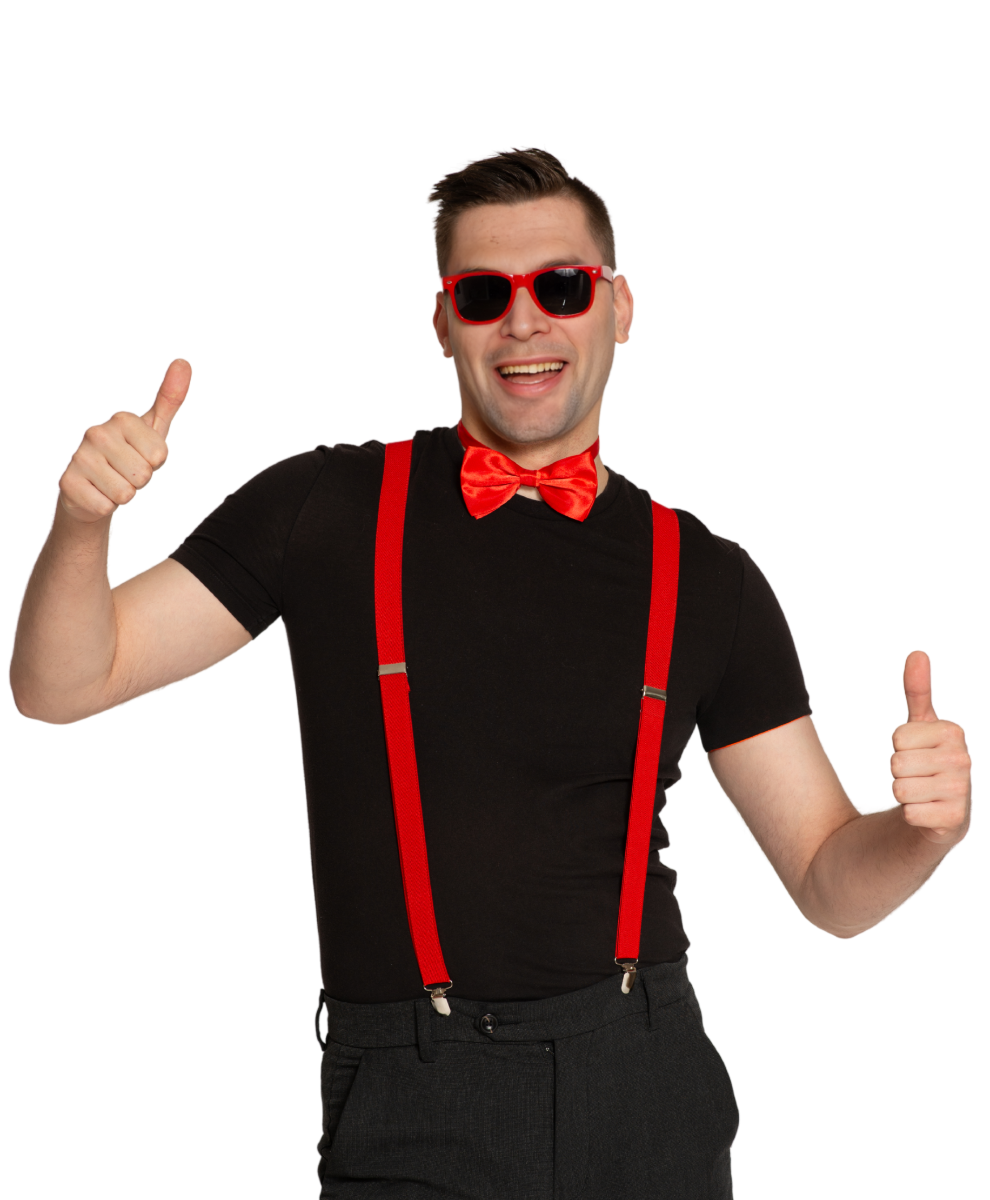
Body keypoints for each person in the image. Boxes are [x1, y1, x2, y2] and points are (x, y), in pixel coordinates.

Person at [10, 148, 971, 1199]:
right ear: (443, 323)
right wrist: (81, 522)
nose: (523, 322)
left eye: (561, 287)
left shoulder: (704, 576)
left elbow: (830, 882)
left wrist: (920, 834)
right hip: (413, 1097)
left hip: (645, 1085)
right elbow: (64, 683)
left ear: (617, 308)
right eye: (483, 294)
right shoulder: (324, 511)